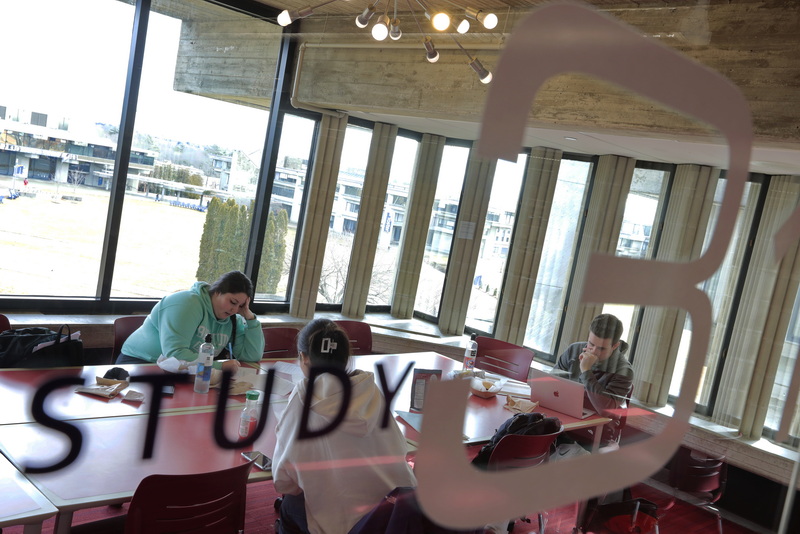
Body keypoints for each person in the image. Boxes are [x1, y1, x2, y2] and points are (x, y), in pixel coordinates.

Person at [272, 318, 416, 534]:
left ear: (304, 358)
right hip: (395, 512)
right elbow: (399, 447)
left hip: (346, 524)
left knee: (289, 505)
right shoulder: (370, 390)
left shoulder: (304, 395)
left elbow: (284, 480)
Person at [115, 270, 264, 371]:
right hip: (142, 364)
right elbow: (174, 353)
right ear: (218, 291)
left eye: (240, 305)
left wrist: (250, 318)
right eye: (232, 302)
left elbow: (250, 356)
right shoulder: (187, 303)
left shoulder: (232, 319)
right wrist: (219, 366)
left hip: (184, 371)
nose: (234, 309)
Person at [552, 313, 633, 445]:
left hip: (595, 431)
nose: (594, 351)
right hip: (564, 418)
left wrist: (586, 371)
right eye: (591, 344)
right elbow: (552, 385)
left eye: (601, 348)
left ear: (615, 346)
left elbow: (604, 410)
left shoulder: (624, 371)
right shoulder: (574, 350)